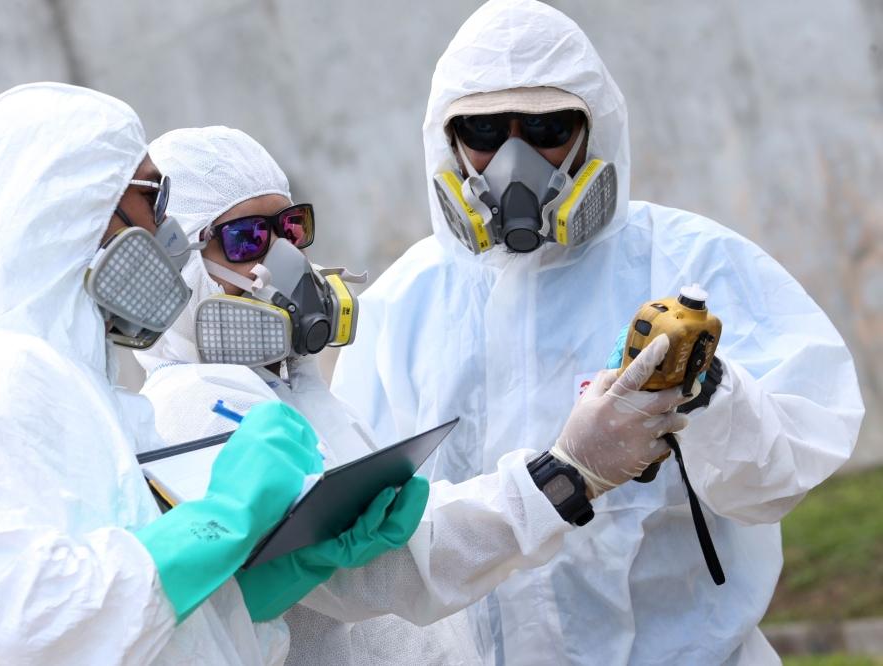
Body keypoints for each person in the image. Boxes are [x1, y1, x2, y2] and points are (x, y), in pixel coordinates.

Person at [332, 1, 866, 664]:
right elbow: (368, 536)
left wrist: (712, 395)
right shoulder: (403, 304)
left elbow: (778, 478)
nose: (514, 157)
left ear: (595, 129)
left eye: (549, 125)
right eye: (485, 129)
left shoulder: (689, 263)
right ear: (448, 141)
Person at [134, 125, 692, 665]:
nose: (285, 259)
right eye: (247, 237)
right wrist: (567, 473)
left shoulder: (287, 387)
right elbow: (370, 569)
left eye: (290, 228)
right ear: (181, 266)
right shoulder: (191, 404)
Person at [0, 82, 344, 665]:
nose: (169, 233)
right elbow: (6, 618)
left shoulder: (94, 397)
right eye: (153, 198)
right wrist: (217, 522)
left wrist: (272, 577)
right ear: (77, 205)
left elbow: (147, 623)